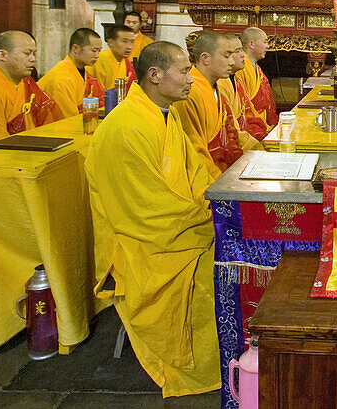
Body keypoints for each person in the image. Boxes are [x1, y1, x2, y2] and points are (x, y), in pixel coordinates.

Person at [84, 41, 221, 397]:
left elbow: (194, 172)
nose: (191, 79)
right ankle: (194, 367)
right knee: (213, 272)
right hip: (146, 241)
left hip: (182, 221)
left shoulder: (166, 112)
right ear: (155, 75)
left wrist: (211, 206)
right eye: (184, 71)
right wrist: (203, 219)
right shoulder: (125, 127)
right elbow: (141, 207)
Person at [0, 31, 59, 142]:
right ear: (2, 55)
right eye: (27, 53)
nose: (33, 59)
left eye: (34, 53)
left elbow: (47, 117)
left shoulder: (24, 83)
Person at [175, 31, 249, 171]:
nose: (232, 62)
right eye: (227, 56)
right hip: (208, 175)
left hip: (223, 168)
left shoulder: (216, 87)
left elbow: (231, 132)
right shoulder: (189, 93)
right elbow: (194, 151)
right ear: (205, 58)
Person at [38, 28, 106, 120]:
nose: (97, 55)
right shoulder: (60, 79)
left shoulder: (84, 74)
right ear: (76, 48)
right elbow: (68, 118)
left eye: (99, 51)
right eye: (94, 50)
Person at [235, 27, 278, 140]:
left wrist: (270, 121)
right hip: (251, 125)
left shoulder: (256, 68)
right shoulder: (240, 68)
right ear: (251, 44)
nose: (268, 46)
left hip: (261, 122)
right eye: (265, 42)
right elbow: (243, 105)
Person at [88, 25, 138, 91]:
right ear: (111, 42)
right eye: (124, 41)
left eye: (132, 42)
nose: (129, 47)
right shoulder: (98, 59)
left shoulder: (126, 62)